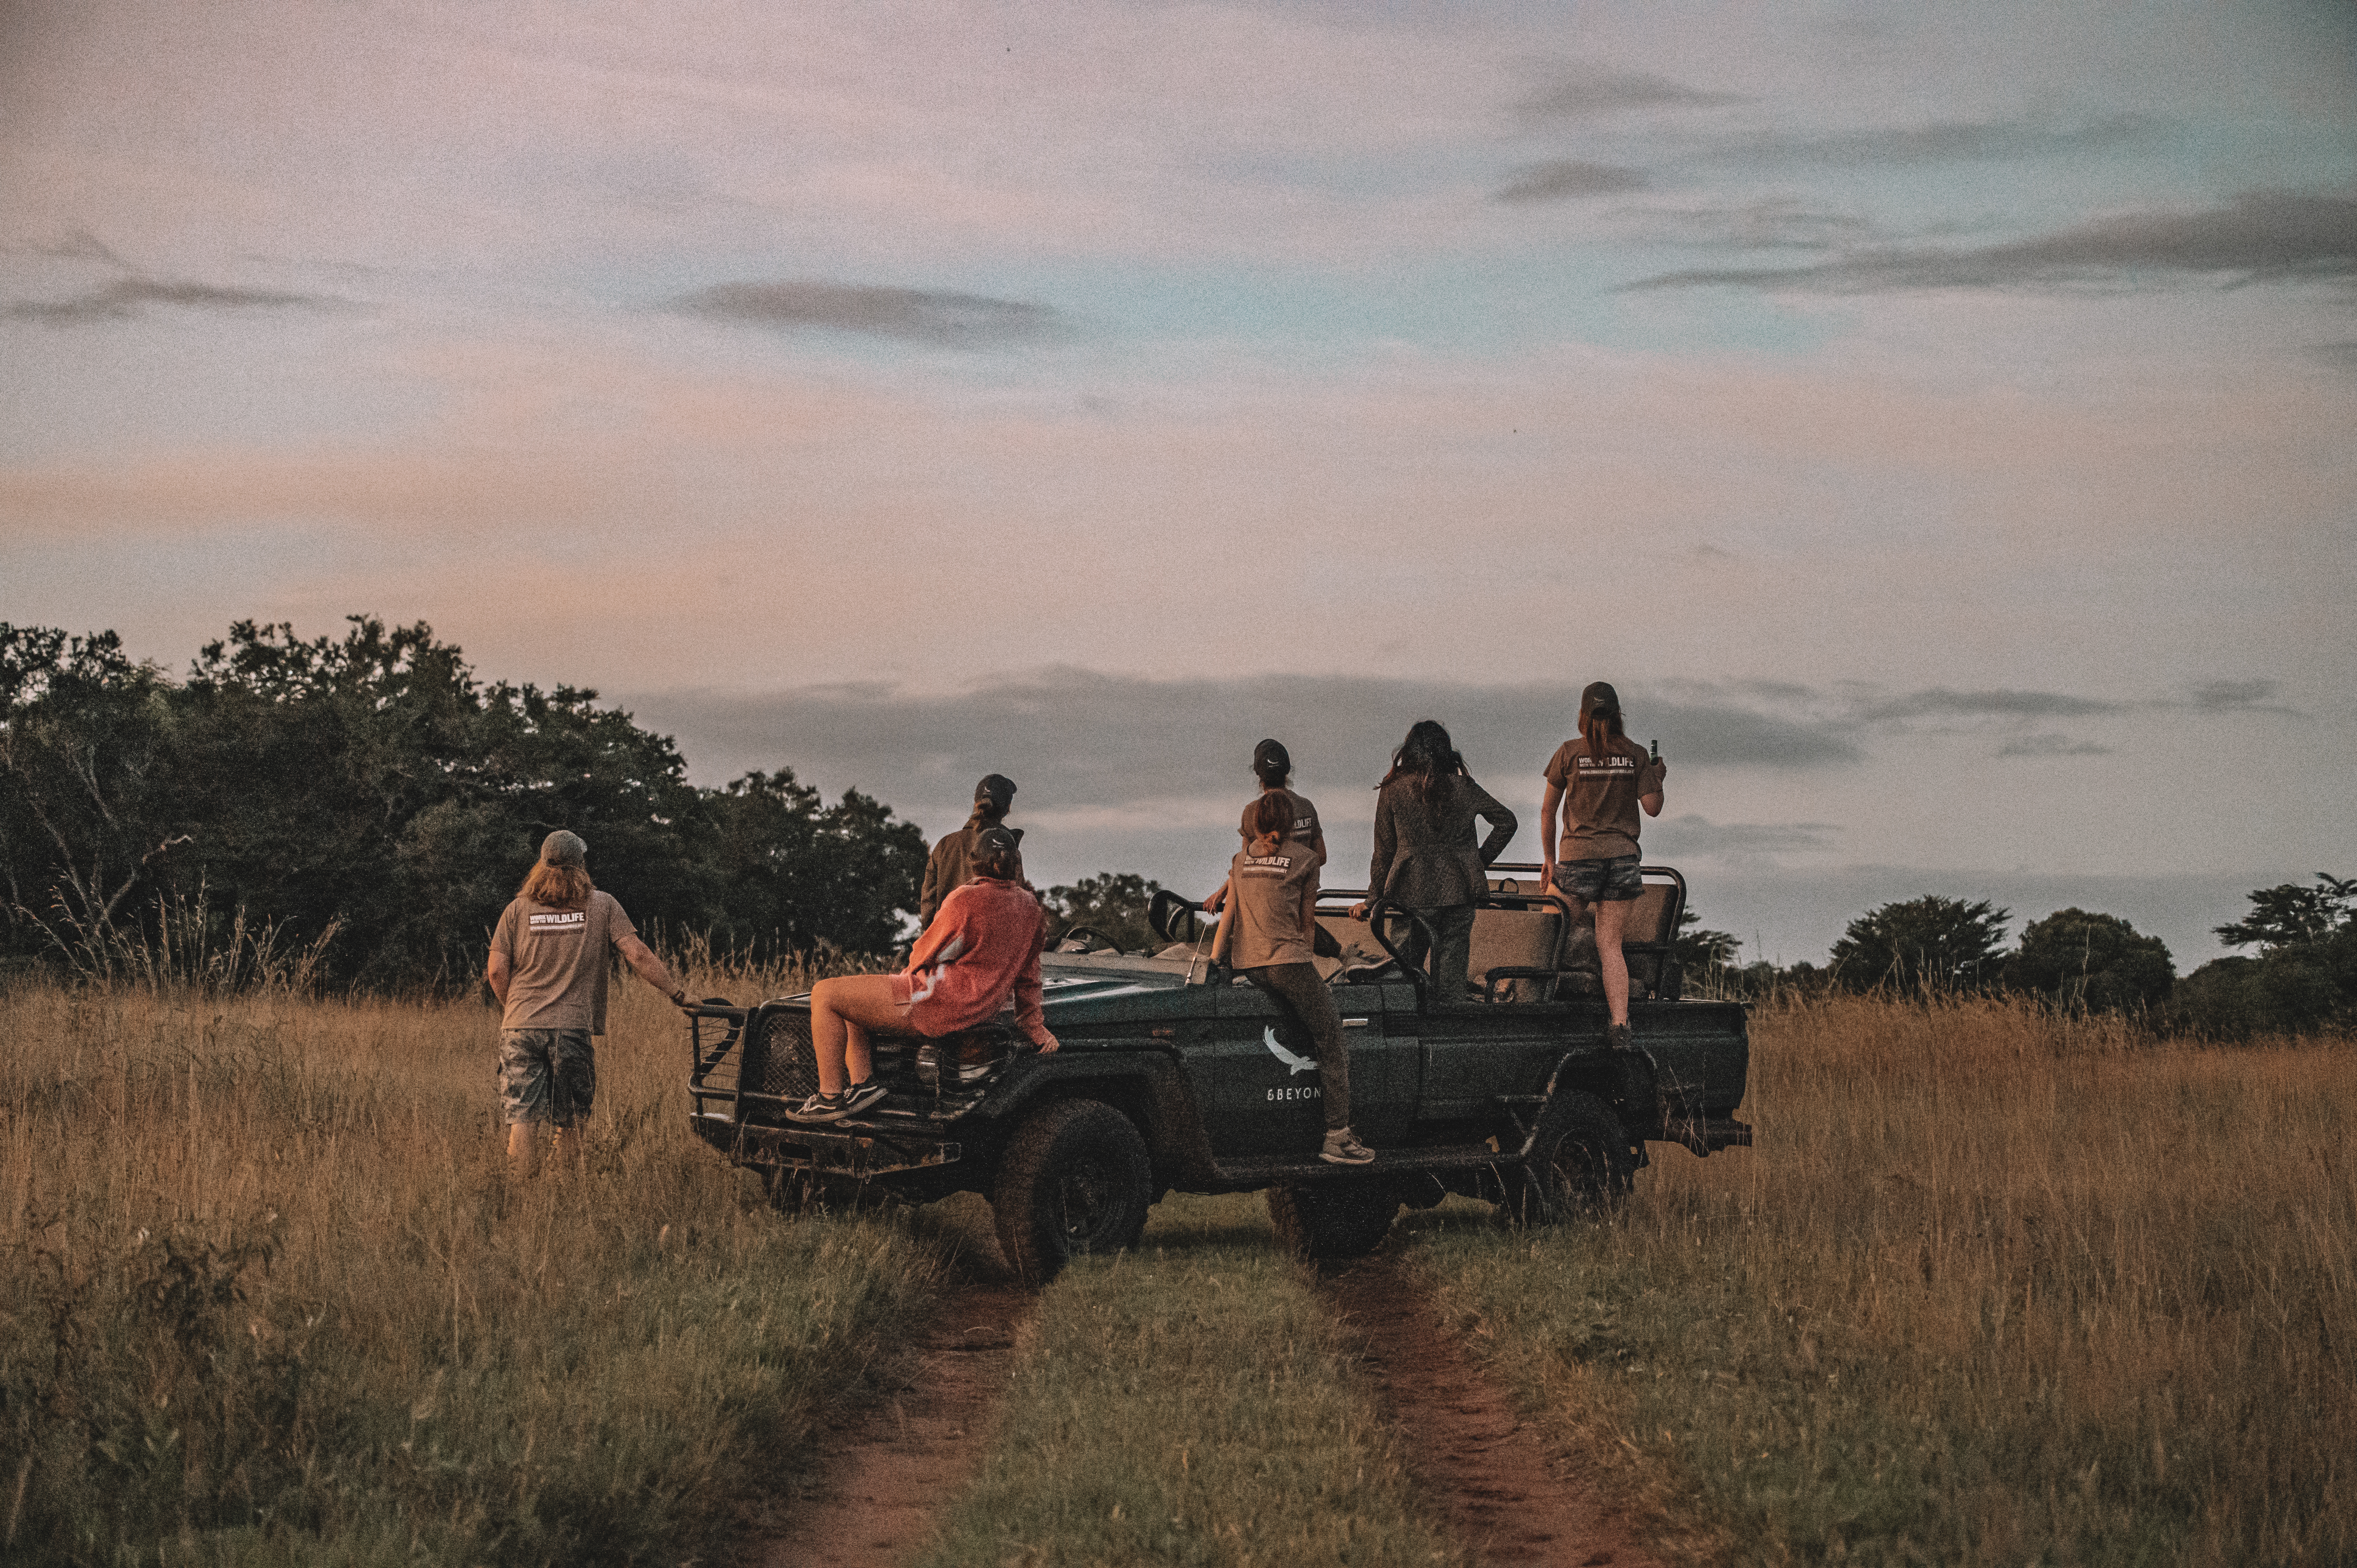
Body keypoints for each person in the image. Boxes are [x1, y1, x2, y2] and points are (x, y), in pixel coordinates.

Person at [790, 825, 1057, 1123]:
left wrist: (905, 982)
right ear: (1016, 863)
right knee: (855, 1001)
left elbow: (925, 952)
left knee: (825, 994)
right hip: (977, 1012)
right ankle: (863, 1086)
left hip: (937, 1003)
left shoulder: (966, 899)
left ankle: (829, 1098)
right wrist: (1034, 1026)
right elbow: (1029, 976)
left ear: (975, 861)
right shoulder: (1031, 908)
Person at [486, 830, 691, 1176]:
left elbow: (495, 972)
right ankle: (560, 1189)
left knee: (523, 1117)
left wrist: (517, 1010)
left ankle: (522, 1196)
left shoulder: (516, 910)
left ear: (541, 864)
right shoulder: (602, 905)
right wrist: (677, 994)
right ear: (581, 864)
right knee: (573, 1118)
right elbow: (637, 954)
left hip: (520, 1025)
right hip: (571, 1027)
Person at [1208, 753, 1373, 1166]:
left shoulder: (1239, 861)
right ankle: (1337, 1135)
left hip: (1248, 963)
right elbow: (1307, 926)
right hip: (1288, 963)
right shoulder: (1307, 860)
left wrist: (1216, 963)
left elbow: (1229, 915)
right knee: (1332, 1036)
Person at [1351, 720, 1517, 1005]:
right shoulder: (1465, 787)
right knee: (1451, 984)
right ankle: (1448, 1038)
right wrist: (1476, 863)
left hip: (1409, 894)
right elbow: (1507, 822)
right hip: (1459, 891)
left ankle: (1408, 1035)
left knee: (1404, 978)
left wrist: (1372, 900)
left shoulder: (1394, 790)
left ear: (1410, 751)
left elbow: (1384, 852)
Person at [1539, 683, 1666, 1049]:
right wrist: (1657, 775)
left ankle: (1533, 1003)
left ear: (1582, 715)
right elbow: (1653, 808)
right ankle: (1620, 1025)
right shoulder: (1637, 755)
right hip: (1623, 860)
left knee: (1548, 928)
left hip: (1579, 858)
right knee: (1611, 945)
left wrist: (1549, 859)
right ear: (1618, 716)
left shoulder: (1569, 753)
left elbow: (1548, 811)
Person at [919, 773, 1022, 929]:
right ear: (1008, 808)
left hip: (946, 945)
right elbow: (1017, 907)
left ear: (976, 803)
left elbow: (928, 911)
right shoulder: (1007, 848)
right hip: (989, 948)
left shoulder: (945, 845)